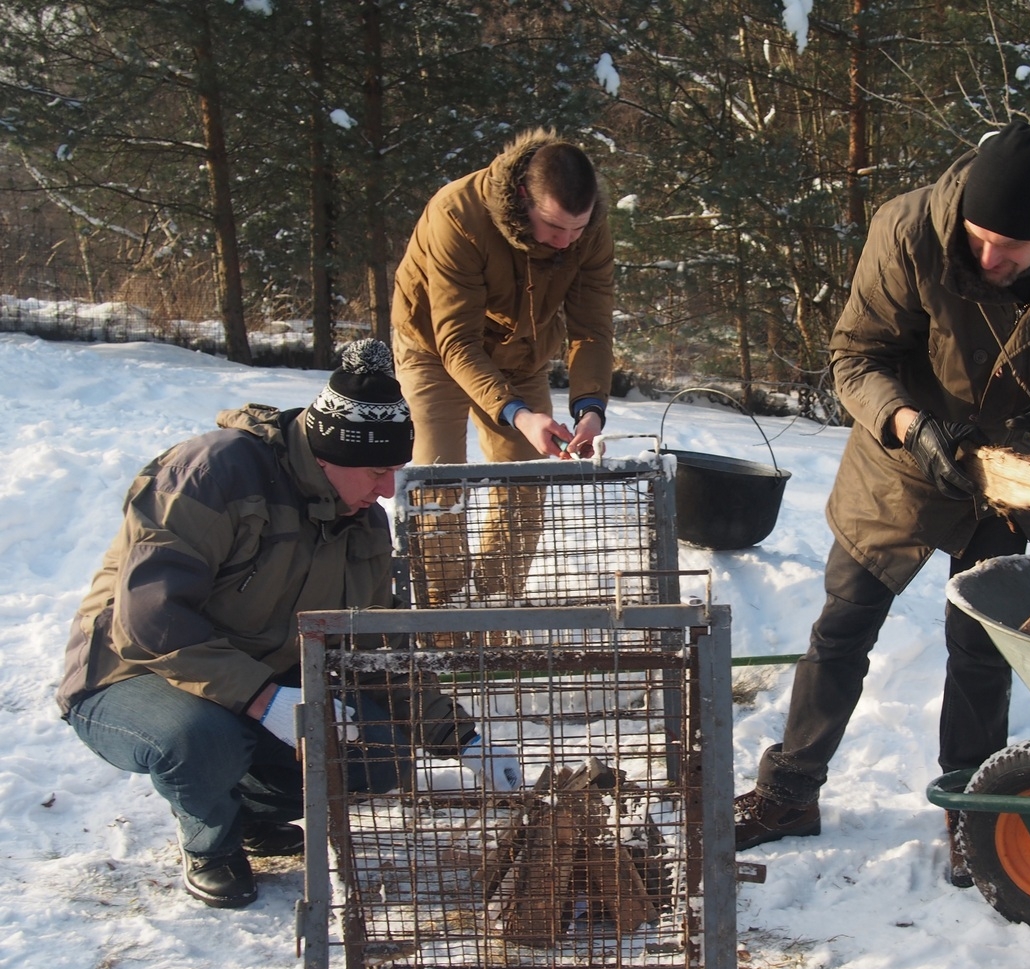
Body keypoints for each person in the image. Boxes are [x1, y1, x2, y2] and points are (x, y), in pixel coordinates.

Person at [733, 121, 1030, 885]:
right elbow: (855, 356)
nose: (990, 258)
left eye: (1012, 249)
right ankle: (789, 790)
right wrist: (910, 425)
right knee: (843, 625)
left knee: (983, 644)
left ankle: (972, 807)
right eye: (980, 238)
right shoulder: (910, 226)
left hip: (1016, 475)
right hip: (903, 457)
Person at [57, 341, 483, 909]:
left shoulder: (362, 524)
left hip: (261, 685)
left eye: (395, 472)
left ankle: (248, 813)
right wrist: (263, 699)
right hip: (132, 672)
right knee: (202, 738)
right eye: (379, 471)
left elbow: (381, 647)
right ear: (327, 454)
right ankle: (211, 843)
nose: (387, 490)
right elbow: (150, 616)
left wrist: (458, 736)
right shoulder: (214, 473)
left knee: (381, 754)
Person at [391, 128, 614, 605]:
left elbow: (592, 329)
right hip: (434, 349)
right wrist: (518, 413)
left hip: (523, 352)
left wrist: (590, 407)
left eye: (577, 229)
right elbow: (456, 341)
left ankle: (496, 604)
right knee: (438, 486)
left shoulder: (587, 230)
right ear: (521, 198)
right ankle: (444, 618)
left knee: (527, 485)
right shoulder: (457, 215)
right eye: (555, 228)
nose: (566, 242)